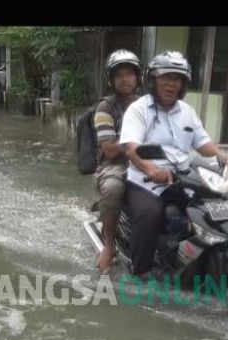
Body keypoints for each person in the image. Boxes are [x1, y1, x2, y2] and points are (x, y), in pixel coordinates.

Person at [119, 51, 228, 276]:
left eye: (177, 79)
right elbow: (131, 147)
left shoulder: (187, 112)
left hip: (183, 179)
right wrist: (152, 169)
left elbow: (203, 144)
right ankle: (140, 271)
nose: (171, 84)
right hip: (147, 182)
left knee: (215, 210)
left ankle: (201, 260)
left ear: (183, 84)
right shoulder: (138, 109)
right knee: (150, 214)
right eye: (166, 78)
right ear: (153, 80)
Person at [93, 50, 142, 273]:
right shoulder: (105, 108)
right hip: (115, 166)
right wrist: (134, 145)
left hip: (147, 162)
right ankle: (109, 245)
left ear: (137, 77)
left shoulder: (148, 106)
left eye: (129, 73)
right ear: (111, 80)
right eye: (119, 74)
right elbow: (109, 149)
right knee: (112, 189)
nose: (125, 79)